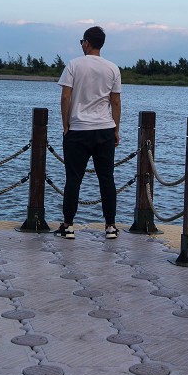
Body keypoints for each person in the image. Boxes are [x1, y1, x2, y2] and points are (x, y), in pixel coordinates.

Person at [55, 25, 122, 240]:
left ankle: (68, 225)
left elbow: (66, 97)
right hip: (104, 129)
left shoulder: (73, 65)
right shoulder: (113, 68)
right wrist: (116, 129)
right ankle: (110, 226)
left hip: (78, 130)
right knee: (107, 179)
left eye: (82, 41)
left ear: (87, 42)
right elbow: (116, 101)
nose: (82, 45)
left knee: (73, 179)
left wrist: (66, 125)